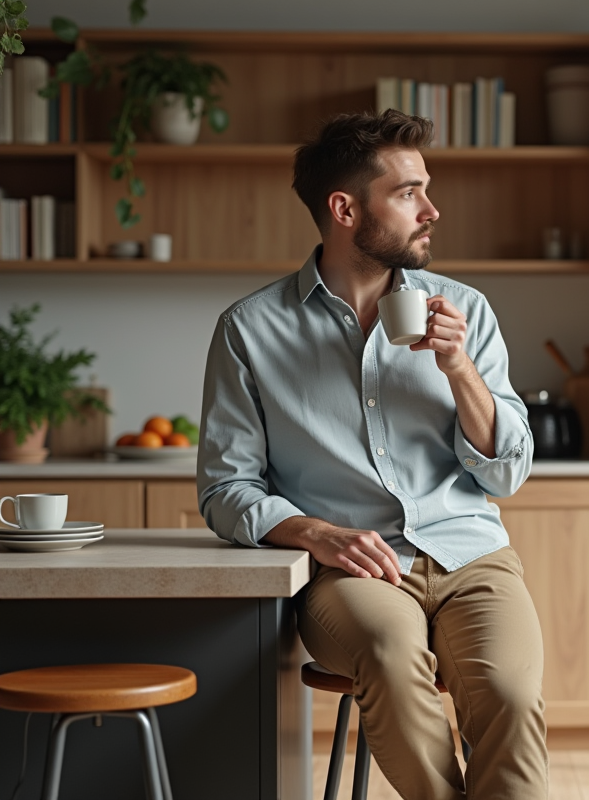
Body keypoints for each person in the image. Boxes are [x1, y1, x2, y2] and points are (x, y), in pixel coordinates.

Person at [197, 110, 546, 800]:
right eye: (409, 192)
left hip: (470, 556)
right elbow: (224, 488)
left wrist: (460, 370)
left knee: (508, 690)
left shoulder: (464, 312)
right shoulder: (250, 330)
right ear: (345, 208)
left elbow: (506, 472)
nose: (431, 210)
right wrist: (316, 533)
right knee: (390, 656)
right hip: (356, 571)